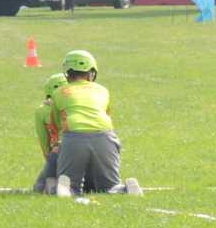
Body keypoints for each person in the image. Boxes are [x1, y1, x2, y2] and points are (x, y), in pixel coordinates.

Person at [49, 49, 138, 196]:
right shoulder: (103, 90)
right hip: (105, 136)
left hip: (74, 137)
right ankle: (124, 189)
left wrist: (55, 145)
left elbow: (55, 125)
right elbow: (107, 114)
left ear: (67, 73)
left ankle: (66, 188)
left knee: (70, 185)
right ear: (91, 72)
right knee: (110, 186)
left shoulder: (59, 92)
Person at [31, 71, 68, 192]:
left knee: (39, 188)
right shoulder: (72, 106)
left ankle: (53, 187)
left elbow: (43, 140)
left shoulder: (41, 111)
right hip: (82, 149)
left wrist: (49, 160)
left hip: (56, 153)